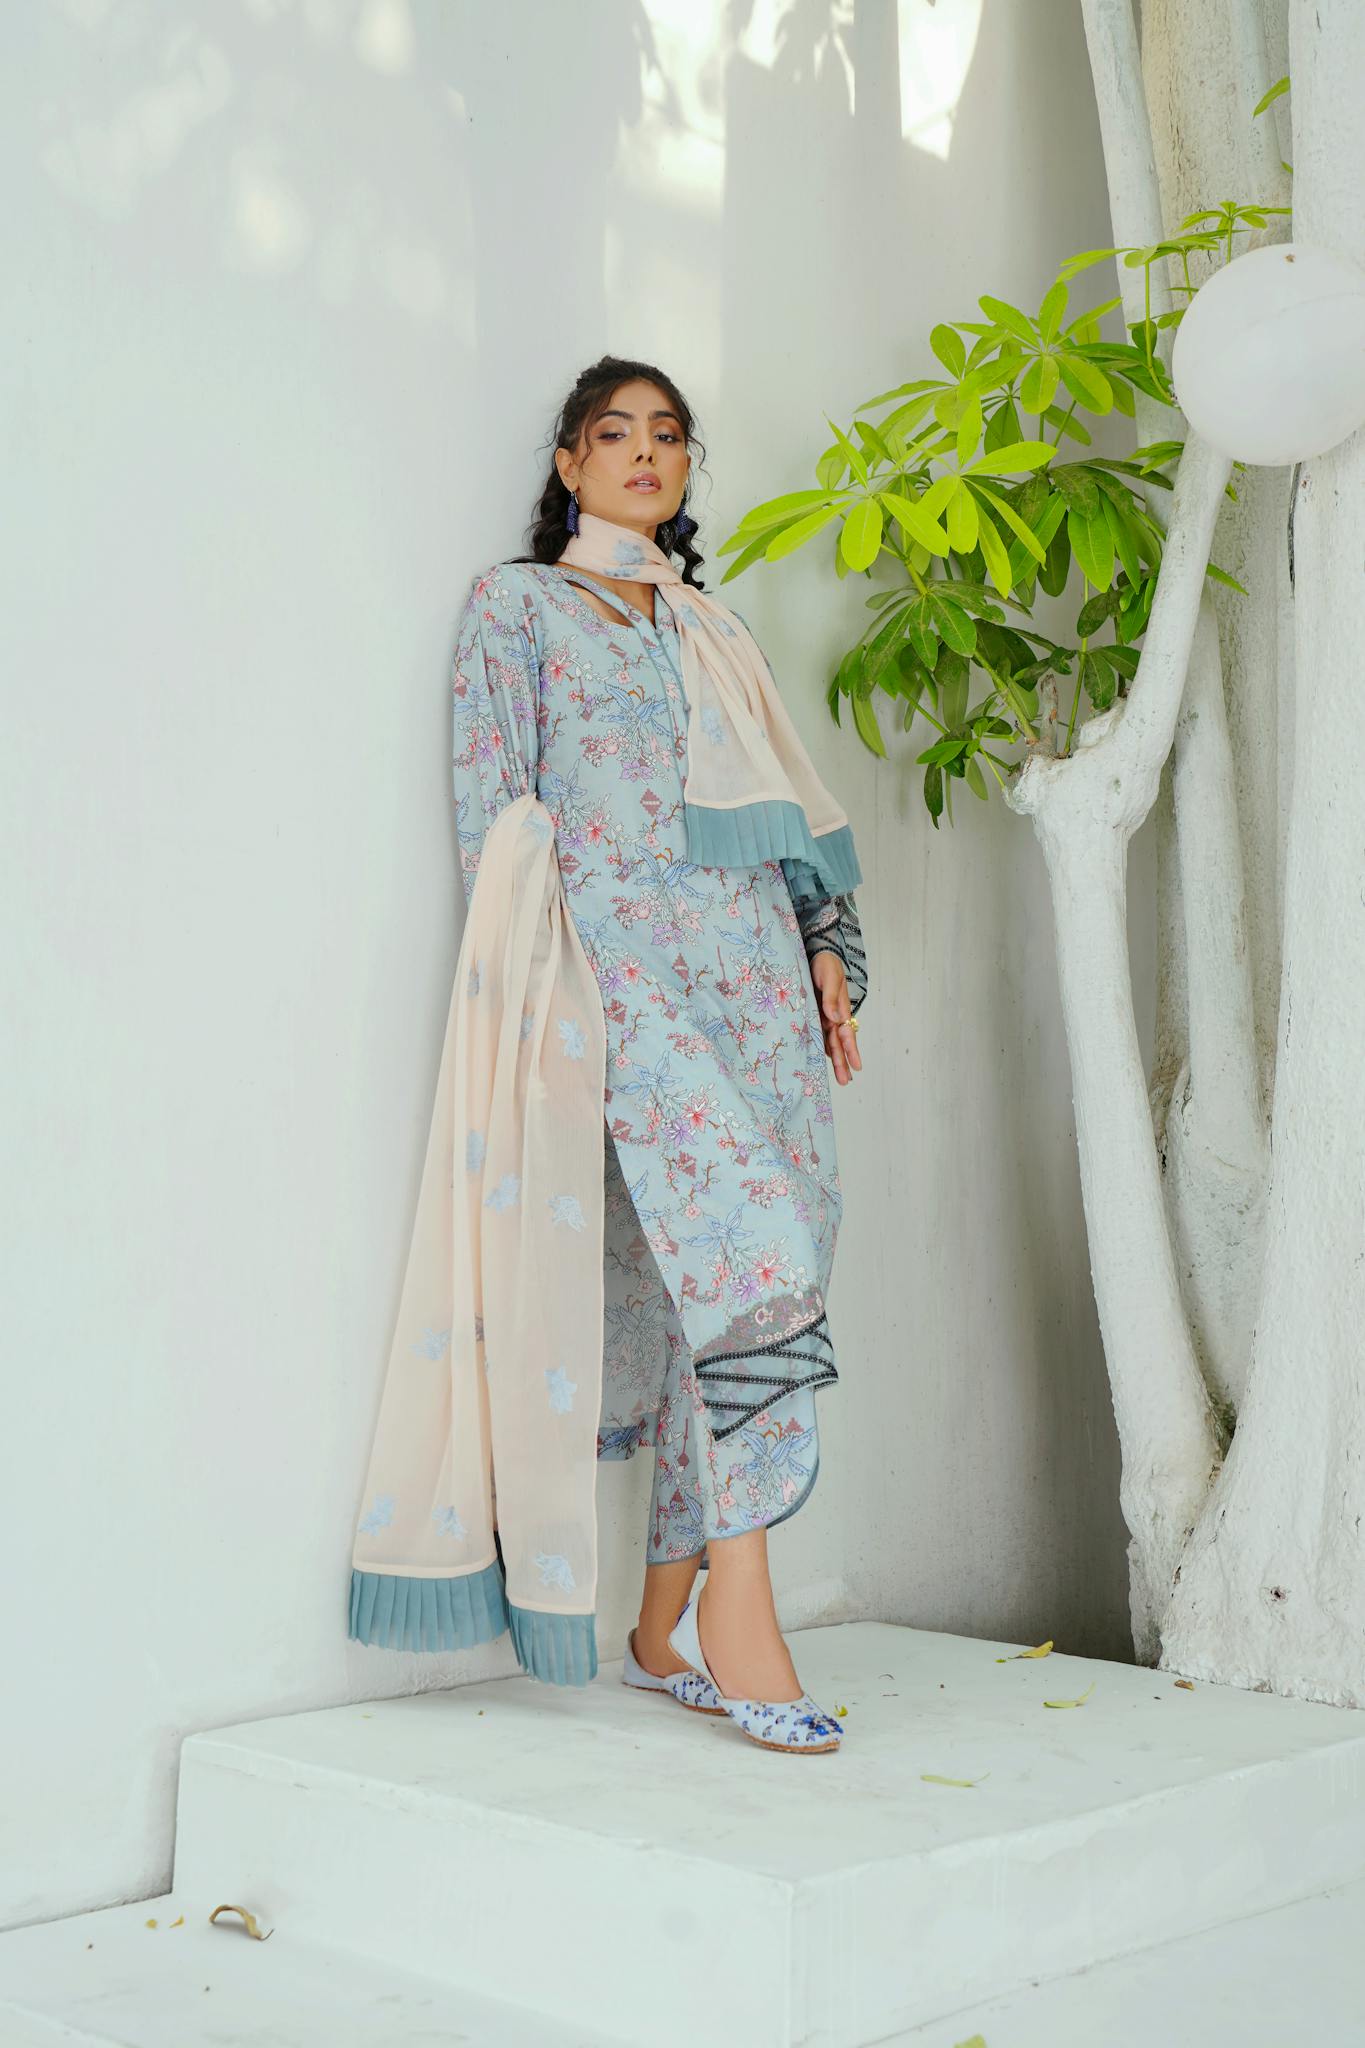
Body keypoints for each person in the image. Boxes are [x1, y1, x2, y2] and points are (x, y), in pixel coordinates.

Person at [449, 355, 869, 1752]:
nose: (643, 453)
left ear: (686, 469)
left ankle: (660, 1620)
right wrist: (534, 1001)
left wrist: (827, 947)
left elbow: (790, 814)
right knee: (748, 1263)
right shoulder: (514, 610)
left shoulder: (712, 628)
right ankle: (743, 1609)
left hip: (753, 977)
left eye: (667, 435)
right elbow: (491, 819)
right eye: (612, 433)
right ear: (567, 464)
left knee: (776, 1252)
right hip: (617, 976)